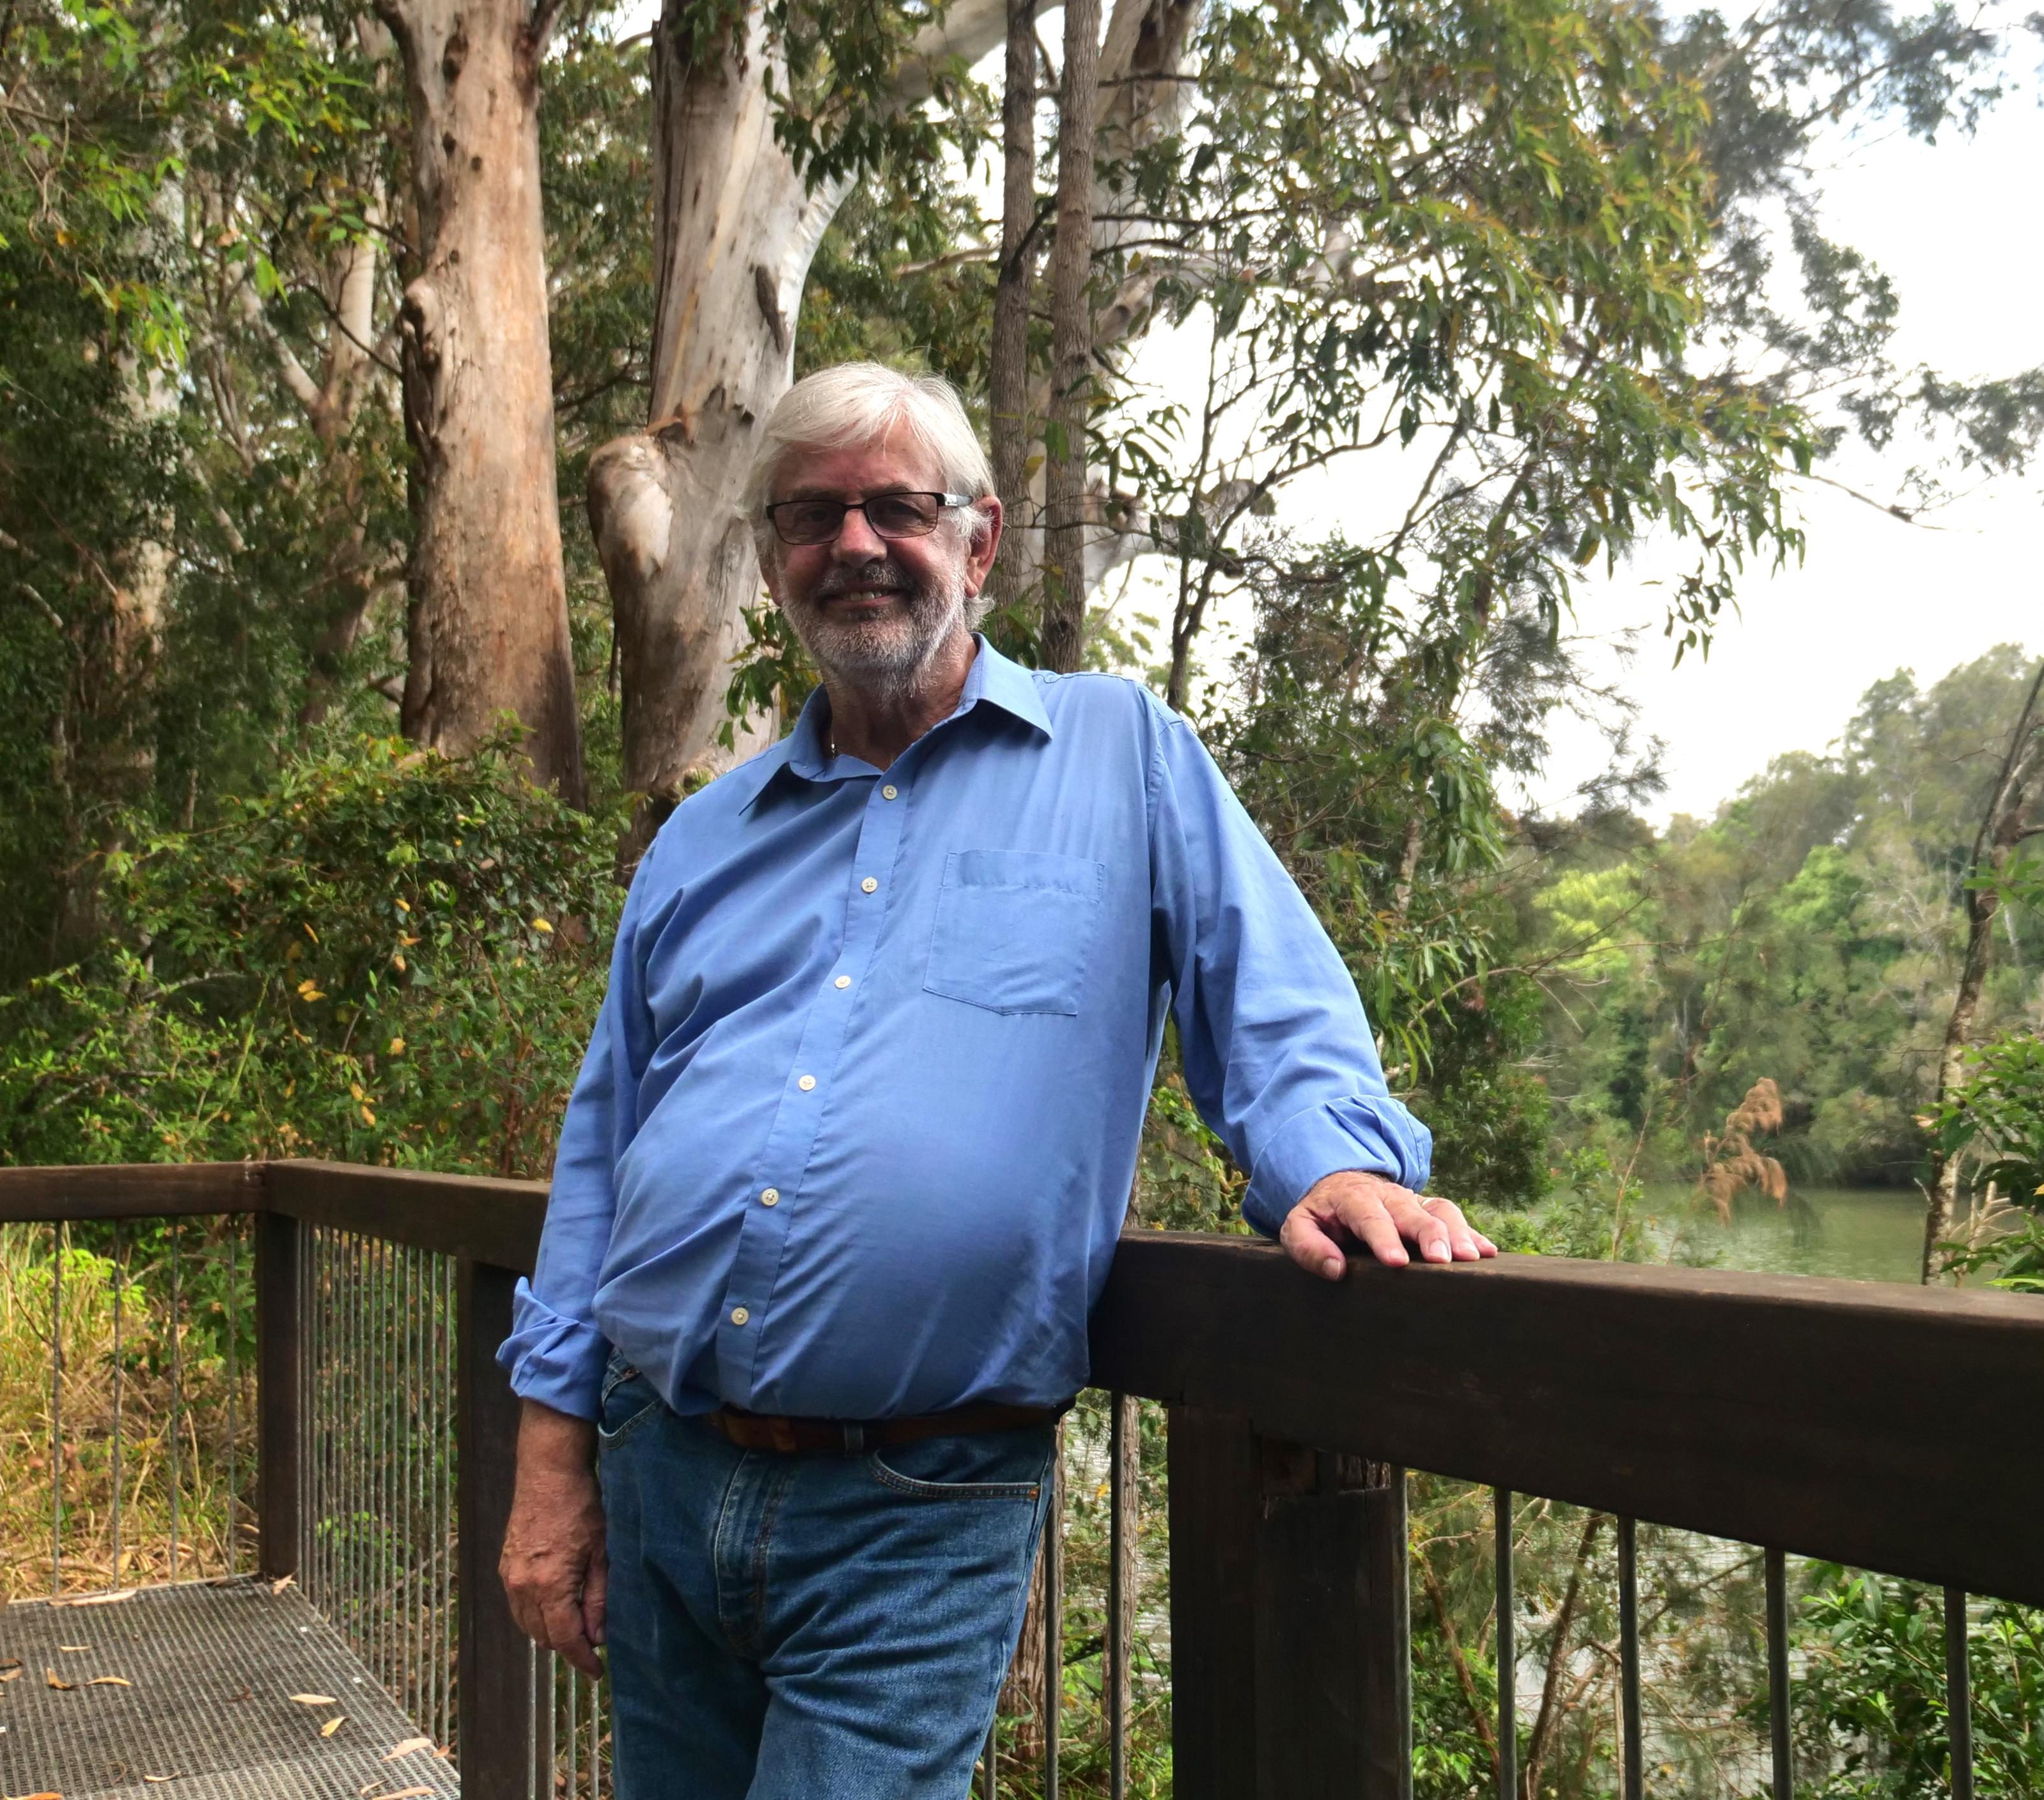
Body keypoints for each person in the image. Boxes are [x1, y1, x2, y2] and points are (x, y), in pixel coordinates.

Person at [494, 361, 1494, 1798]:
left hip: (913, 1498)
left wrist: (1334, 1163)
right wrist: (554, 1465)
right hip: (660, 1466)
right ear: (773, 557)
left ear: (978, 540)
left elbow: (1264, 992)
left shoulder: (1121, 756)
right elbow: (604, 1150)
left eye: (896, 508)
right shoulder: (705, 837)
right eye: (811, 517)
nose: (852, 547)